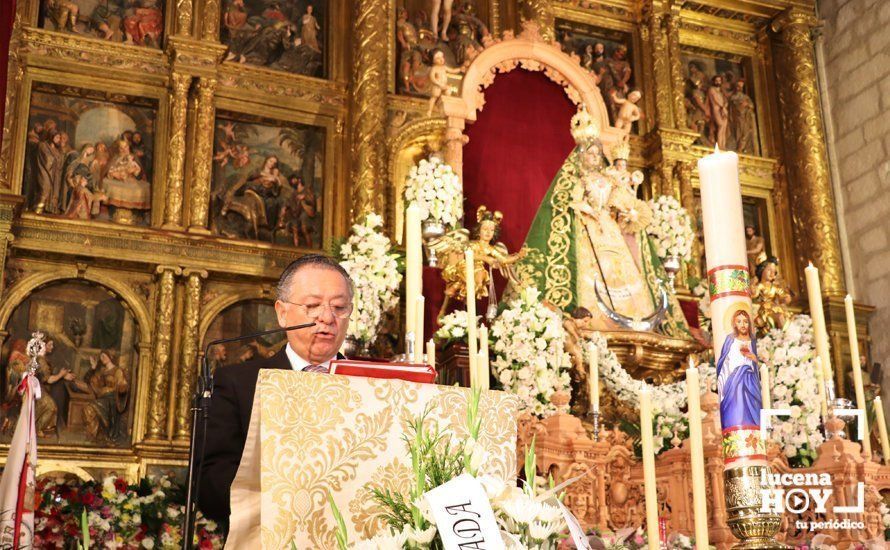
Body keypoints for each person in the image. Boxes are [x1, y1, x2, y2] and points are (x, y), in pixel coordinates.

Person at [198, 254, 353, 522]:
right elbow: (211, 483)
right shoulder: (238, 384)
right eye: (313, 305)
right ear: (282, 313)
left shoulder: (373, 386)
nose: (328, 317)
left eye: (339, 307)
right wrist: (284, 504)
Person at [715, 308, 761, 429]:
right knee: (735, 407)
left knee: (752, 409)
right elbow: (724, 361)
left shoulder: (753, 341)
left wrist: (753, 358)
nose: (743, 324)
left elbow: (758, 366)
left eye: (745, 321)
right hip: (735, 381)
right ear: (734, 323)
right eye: (739, 321)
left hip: (750, 381)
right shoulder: (730, 339)